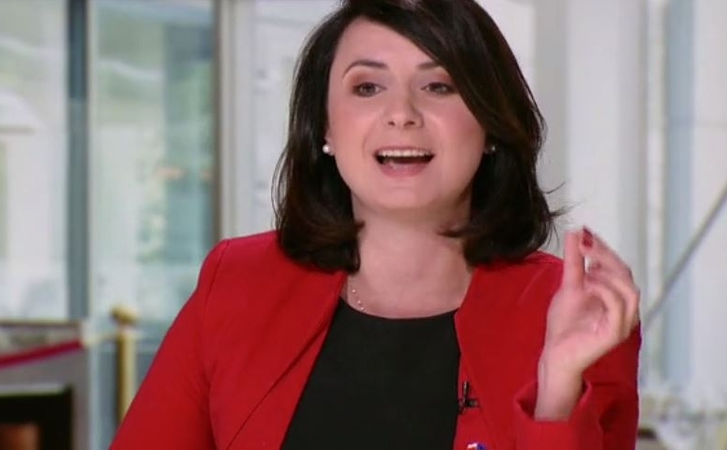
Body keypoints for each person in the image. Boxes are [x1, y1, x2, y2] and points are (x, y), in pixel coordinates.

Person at [110, 0, 641, 449]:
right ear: (324, 128)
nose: (401, 113)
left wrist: (556, 394)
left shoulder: (572, 312)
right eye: (367, 88)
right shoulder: (235, 283)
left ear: (490, 125)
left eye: (438, 86)